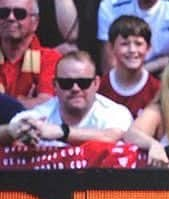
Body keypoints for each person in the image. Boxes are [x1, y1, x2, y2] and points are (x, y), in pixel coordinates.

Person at [3, 50, 131, 147]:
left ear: (96, 83)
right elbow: (17, 126)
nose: (75, 88)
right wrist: (12, 130)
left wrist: (62, 132)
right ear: (55, 85)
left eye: (83, 82)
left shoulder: (115, 112)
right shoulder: (42, 113)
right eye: (66, 83)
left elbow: (113, 136)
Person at [0, 0, 58, 107]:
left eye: (19, 13)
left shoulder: (49, 59)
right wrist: (24, 102)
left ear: (35, 22)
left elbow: (48, 105)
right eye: (4, 13)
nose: (11, 18)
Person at [97, 14, 159, 118]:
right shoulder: (100, 87)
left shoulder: (157, 89)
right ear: (111, 47)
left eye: (138, 44)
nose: (132, 50)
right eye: (124, 44)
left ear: (148, 48)